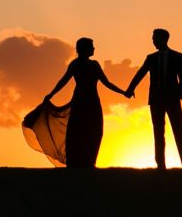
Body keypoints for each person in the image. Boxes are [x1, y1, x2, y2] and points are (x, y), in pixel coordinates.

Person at [22, 36, 128, 168]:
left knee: (93, 131)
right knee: (80, 131)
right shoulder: (77, 64)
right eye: (91, 46)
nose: (94, 48)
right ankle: (80, 162)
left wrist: (123, 92)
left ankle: (89, 162)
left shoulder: (91, 65)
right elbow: (64, 81)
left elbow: (107, 83)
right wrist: (51, 94)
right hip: (82, 102)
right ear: (84, 49)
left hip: (90, 102)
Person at [125, 28, 182, 170]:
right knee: (158, 132)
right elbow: (140, 73)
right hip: (156, 100)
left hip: (172, 99)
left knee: (179, 130)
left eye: (155, 38)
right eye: (153, 38)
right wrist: (130, 88)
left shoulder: (177, 56)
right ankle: (160, 164)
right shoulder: (151, 58)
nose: (153, 41)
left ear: (163, 39)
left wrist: (180, 93)